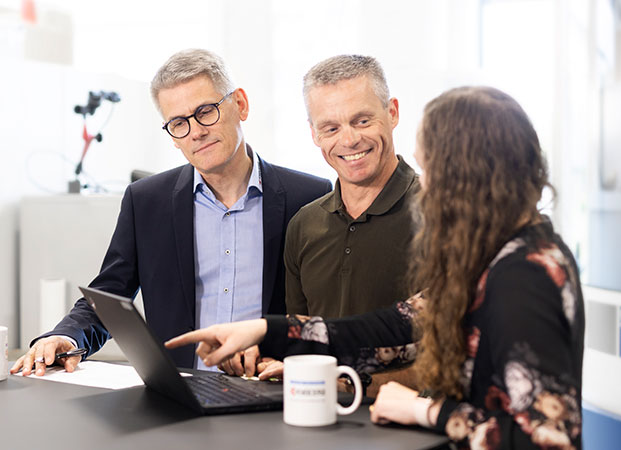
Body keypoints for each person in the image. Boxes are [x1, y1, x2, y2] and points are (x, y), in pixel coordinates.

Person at [166, 86, 584, 449]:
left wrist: (426, 410)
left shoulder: (525, 277)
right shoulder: (494, 259)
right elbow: (395, 327)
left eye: (434, 169)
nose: (429, 186)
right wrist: (266, 330)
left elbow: (548, 439)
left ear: (467, 178)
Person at [11, 49, 331, 376]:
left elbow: (326, 318)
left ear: (241, 104)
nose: (196, 131)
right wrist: (66, 335)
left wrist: (281, 345)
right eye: (178, 122)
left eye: (206, 111)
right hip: (179, 397)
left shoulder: (309, 197)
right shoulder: (147, 201)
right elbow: (109, 293)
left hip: (275, 389)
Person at [247, 55, 420, 392]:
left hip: (410, 429)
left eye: (362, 120)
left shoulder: (446, 214)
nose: (350, 140)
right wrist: (274, 360)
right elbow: (303, 339)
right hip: (312, 417)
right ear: (314, 133)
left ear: (393, 112)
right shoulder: (304, 225)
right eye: (331, 128)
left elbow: (455, 357)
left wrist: (349, 386)